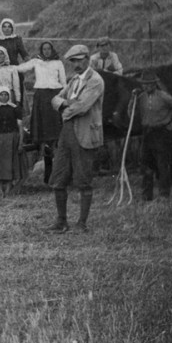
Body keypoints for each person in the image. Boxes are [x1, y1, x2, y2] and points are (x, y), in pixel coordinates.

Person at [48, 44, 105, 233]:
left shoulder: (95, 80)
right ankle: (61, 221)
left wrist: (65, 110)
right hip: (67, 133)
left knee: (83, 180)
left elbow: (82, 107)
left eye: (80, 60)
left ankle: (82, 223)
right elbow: (54, 99)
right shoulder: (73, 80)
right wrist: (66, 102)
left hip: (85, 134)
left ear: (88, 59)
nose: (76, 64)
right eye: (73, 61)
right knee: (59, 177)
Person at [129, 71, 172, 200]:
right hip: (146, 133)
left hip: (161, 134)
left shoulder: (164, 96)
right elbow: (131, 113)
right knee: (146, 165)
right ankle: (146, 196)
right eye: (144, 84)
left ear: (154, 84)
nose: (146, 86)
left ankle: (164, 194)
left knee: (162, 165)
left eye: (149, 84)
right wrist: (132, 99)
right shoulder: (141, 97)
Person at [16, 41, 67, 183]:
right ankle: (48, 176)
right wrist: (6, 66)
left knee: (56, 137)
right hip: (41, 99)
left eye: (48, 49)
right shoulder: (36, 62)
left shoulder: (58, 63)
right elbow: (21, 68)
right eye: (44, 49)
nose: (46, 51)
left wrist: (62, 97)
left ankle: (60, 176)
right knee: (45, 140)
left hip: (55, 98)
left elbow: (64, 83)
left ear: (52, 50)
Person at [0, 88, 25, 198]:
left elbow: (20, 127)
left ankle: (7, 189)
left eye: (6, 94)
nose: (4, 97)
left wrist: (20, 142)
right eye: (1, 95)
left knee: (10, 163)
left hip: (11, 138)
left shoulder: (15, 109)